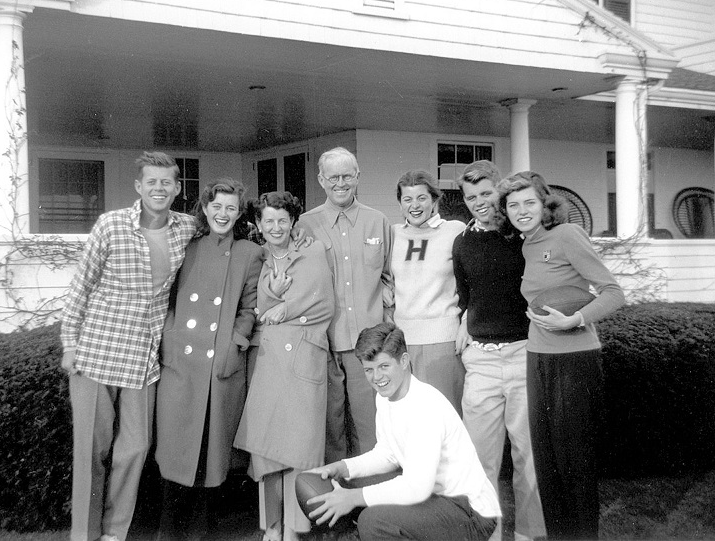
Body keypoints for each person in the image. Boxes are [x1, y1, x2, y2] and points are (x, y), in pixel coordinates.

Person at [60, 151, 196, 541]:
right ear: (138, 186)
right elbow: (80, 288)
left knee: (135, 449)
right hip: (97, 353)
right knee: (91, 451)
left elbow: (225, 226)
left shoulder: (186, 228)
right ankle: (84, 535)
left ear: (177, 188)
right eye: (151, 181)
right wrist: (71, 345)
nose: (159, 188)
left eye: (166, 182)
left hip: (142, 359)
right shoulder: (111, 225)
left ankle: (114, 533)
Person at [497, 171, 625, 540]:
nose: (521, 210)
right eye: (513, 204)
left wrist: (575, 318)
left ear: (545, 204)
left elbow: (613, 292)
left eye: (529, 202)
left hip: (575, 360)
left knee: (574, 463)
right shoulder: (526, 244)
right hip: (538, 357)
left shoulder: (567, 235)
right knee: (548, 463)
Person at [306, 322, 501, 541]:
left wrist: (354, 498)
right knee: (353, 488)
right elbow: (388, 454)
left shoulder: (425, 406)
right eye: (368, 370)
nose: (377, 377)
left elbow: (417, 488)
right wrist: (343, 468)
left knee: (373, 520)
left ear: (404, 361)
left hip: (471, 512)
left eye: (384, 366)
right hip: (439, 500)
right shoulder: (386, 397)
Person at [154, 178, 263, 539]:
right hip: (182, 362)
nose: (223, 213)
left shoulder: (249, 252)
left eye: (231, 207)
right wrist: (170, 338)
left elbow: (249, 308)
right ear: (204, 208)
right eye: (217, 206)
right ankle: (168, 529)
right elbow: (166, 298)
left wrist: (235, 342)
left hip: (220, 364)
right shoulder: (186, 245)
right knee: (175, 444)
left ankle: (201, 527)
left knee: (211, 449)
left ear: (239, 212)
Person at [234, 191, 335, 541]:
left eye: (282, 219)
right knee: (266, 447)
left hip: (304, 357)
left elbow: (323, 302)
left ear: (294, 221)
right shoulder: (259, 258)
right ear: (258, 225)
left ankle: (294, 527)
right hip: (268, 361)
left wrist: (284, 308)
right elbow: (256, 306)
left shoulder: (313, 250)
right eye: (268, 221)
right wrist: (274, 297)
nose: (276, 227)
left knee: (299, 445)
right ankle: (272, 527)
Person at [453, 161, 546, 541]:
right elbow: (467, 296)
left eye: (487, 194)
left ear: (500, 193)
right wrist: (464, 322)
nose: (479, 203)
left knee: (529, 457)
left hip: (524, 354)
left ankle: (527, 534)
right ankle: (489, 534)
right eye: (471, 197)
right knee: (479, 460)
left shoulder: (524, 238)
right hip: (481, 361)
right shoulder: (462, 243)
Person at [297, 146, 393, 463]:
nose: (341, 183)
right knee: (329, 428)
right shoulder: (305, 225)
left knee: (370, 427)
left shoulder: (377, 221)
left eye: (347, 176)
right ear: (321, 179)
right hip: (322, 342)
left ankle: (371, 499)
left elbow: (390, 276)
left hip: (368, 344)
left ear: (357, 177)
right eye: (333, 177)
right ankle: (334, 499)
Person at [389, 169, 466, 411]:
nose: (415, 205)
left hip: (443, 341)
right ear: (400, 204)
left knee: (445, 415)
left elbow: (474, 279)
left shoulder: (454, 230)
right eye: (407, 199)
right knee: (410, 417)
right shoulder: (392, 234)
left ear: (434, 200)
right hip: (402, 342)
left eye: (422, 198)